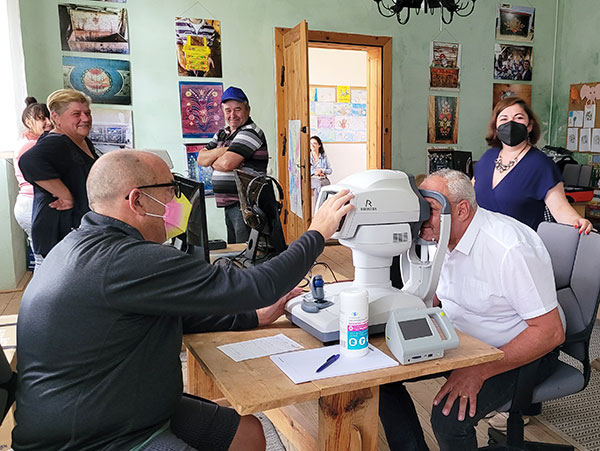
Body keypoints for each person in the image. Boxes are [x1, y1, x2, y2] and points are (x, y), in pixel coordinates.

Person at [13, 150, 354, 451]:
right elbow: (260, 284)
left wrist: (251, 317)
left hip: (118, 406)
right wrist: (317, 232)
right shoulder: (125, 259)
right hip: (94, 436)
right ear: (137, 201)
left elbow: (177, 315)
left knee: (247, 433)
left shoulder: (85, 243)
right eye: (170, 190)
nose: (178, 200)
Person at [379, 169, 565, 451]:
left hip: (524, 351)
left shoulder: (509, 249)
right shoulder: (437, 239)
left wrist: (479, 370)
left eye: (429, 209)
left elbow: (550, 333)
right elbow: (438, 298)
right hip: (464, 342)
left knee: (449, 418)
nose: (420, 220)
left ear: (462, 210)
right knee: (381, 378)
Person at [473, 96, 592, 233]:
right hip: (481, 244)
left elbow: (560, 208)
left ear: (529, 126)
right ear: (496, 127)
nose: (511, 123)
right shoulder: (487, 158)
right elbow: (469, 195)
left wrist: (578, 221)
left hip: (519, 248)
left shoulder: (541, 165)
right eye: (504, 119)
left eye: (518, 118)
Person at [18, 88, 99, 267]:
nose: (85, 118)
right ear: (55, 117)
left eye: (87, 113)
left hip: (76, 228)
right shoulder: (57, 141)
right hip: (58, 228)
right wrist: (65, 195)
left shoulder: (81, 140)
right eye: (76, 114)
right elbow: (28, 161)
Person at [197, 86, 268, 244]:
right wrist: (224, 150)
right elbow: (201, 159)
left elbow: (227, 163)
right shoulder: (222, 133)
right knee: (235, 250)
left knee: (244, 253)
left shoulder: (250, 132)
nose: (232, 115)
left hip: (246, 206)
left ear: (247, 110)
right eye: (228, 110)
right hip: (231, 205)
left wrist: (214, 159)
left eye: (237, 109)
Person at [12, 97, 53, 241]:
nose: (48, 123)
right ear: (29, 122)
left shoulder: (36, 141)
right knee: (44, 256)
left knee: (44, 255)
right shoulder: (31, 146)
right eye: (42, 119)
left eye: (49, 118)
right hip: (32, 203)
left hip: (32, 203)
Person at [309, 135, 333, 208]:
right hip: (312, 178)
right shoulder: (307, 156)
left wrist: (321, 170)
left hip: (323, 178)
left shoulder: (323, 156)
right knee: (318, 186)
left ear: (319, 145)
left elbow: (330, 170)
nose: (312, 145)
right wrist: (315, 172)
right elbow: (305, 170)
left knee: (328, 187)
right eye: (311, 143)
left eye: (315, 143)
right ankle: (318, 209)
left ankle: (326, 208)